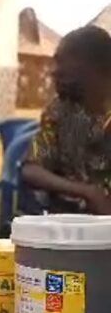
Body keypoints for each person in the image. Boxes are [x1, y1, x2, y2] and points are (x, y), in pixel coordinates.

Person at [22, 25, 111, 214]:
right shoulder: (59, 110)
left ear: (95, 68)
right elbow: (31, 169)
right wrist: (86, 191)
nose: (54, 71)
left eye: (62, 63)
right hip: (68, 218)